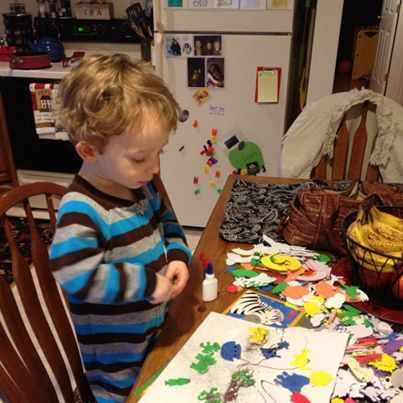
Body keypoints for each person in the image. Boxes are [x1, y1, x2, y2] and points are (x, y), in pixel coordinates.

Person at [49, 53, 191, 402]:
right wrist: (146, 282)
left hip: (156, 341)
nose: (154, 168)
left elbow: (167, 221)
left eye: (158, 153)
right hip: (120, 377)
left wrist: (177, 255)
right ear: (89, 151)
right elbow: (74, 273)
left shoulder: (137, 186)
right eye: (141, 158)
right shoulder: (82, 210)